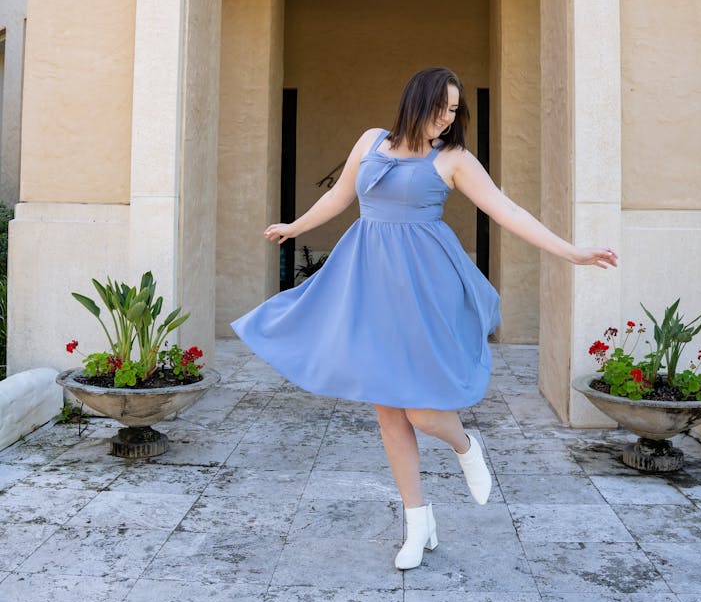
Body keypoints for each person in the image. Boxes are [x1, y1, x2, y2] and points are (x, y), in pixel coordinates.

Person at [232, 67, 618, 570]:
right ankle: (418, 525)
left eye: (455, 110)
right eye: (442, 106)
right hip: (370, 285)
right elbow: (339, 197)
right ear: (416, 100)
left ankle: (465, 444)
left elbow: (507, 211)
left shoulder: (453, 158)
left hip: (424, 289)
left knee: (421, 410)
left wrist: (571, 252)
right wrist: (295, 226)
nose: (447, 117)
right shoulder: (371, 141)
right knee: (389, 413)